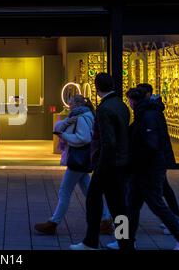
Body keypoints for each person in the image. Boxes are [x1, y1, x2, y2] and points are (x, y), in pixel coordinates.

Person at [122, 87, 179, 250]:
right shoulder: (147, 114)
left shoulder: (146, 116)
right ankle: (124, 241)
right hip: (142, 169)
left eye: (129, 101)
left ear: (133, 101)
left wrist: (136, 164)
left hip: (146, 170)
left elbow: (150, 145)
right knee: (130, 206)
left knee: (156, 206)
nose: (129, 104)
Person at [34, 95, 114, 235]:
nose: (68, 106)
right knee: (90, 192)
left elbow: (83, 138)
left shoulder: (81, 118)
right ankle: (106, 219)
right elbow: (59, 126)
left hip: (78, 160)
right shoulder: (82, 115)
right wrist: (65, 124)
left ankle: (54, 222)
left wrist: (65, 136)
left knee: (64, 191)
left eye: (70, 103)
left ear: (76, 104)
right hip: (83, 160)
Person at [70, 73, 132, 250]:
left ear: (96, 87)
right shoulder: (121, 105)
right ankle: (124, 242)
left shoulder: (104, 109)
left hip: (107, 165)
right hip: (120, 163)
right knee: (119, 205)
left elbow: (108, 141)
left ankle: (91, 241)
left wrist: (100, 165)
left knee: (93, 202)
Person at [136, 83, 179, 234]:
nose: (132, 102)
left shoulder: (149, 113)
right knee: (131, 204)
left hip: (148, 164)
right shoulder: (150, 111)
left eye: (134, 98)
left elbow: (150, 141)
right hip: (147, 163)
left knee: (147, 200)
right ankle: (123, 239)